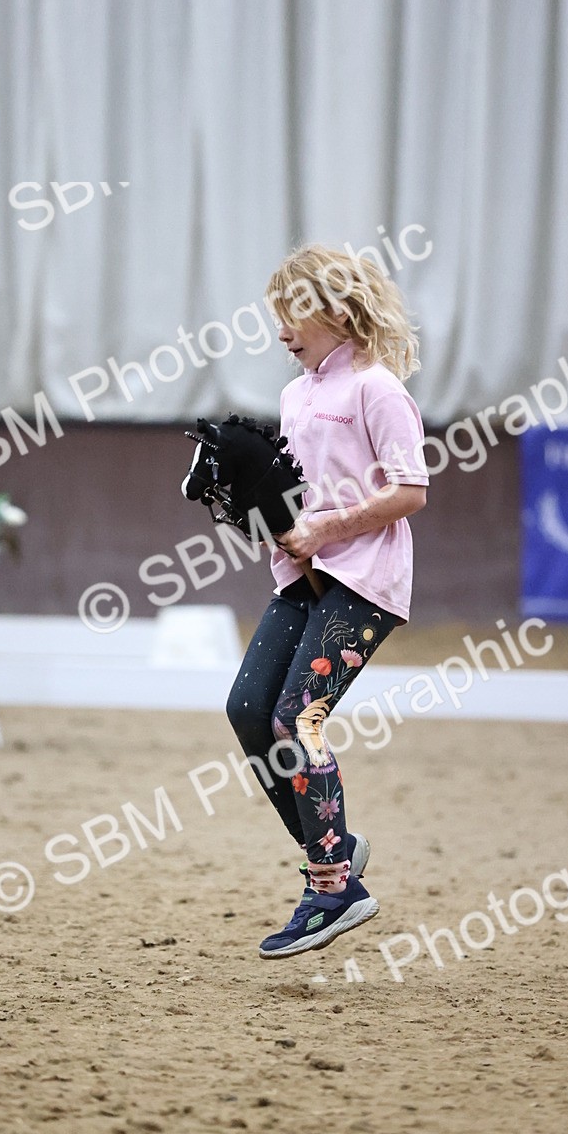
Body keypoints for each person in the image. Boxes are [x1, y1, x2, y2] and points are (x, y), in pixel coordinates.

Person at [226, 244, 429, 959]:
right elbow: (297, 499)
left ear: (337, 311)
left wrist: (329, 527)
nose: (280, 330)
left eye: (290, 312)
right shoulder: (293, 396)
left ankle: (333, 883)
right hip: (303, 577)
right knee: (249, 713)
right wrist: (260, 517)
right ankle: (335, 849)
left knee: (294, 719)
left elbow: (410, 490)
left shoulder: (376, 388)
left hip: (365, 582)